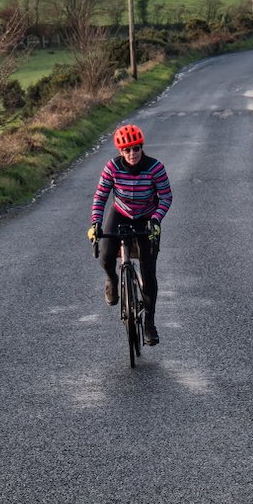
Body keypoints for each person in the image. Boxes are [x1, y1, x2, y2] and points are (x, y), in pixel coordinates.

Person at [86, 123, 173, 346]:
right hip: (121, 213)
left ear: (142, 147)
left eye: (136, 148)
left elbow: (166, 197)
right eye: (127, 150)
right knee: (105, 255)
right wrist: (96, 223)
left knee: (148, 271)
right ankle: (112, 280)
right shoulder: (112, 168)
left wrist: (156, 219)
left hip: (147, 216)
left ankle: (149, 324)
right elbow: (100, 196)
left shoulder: (155, 168)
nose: (132, 153)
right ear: (120, 151)